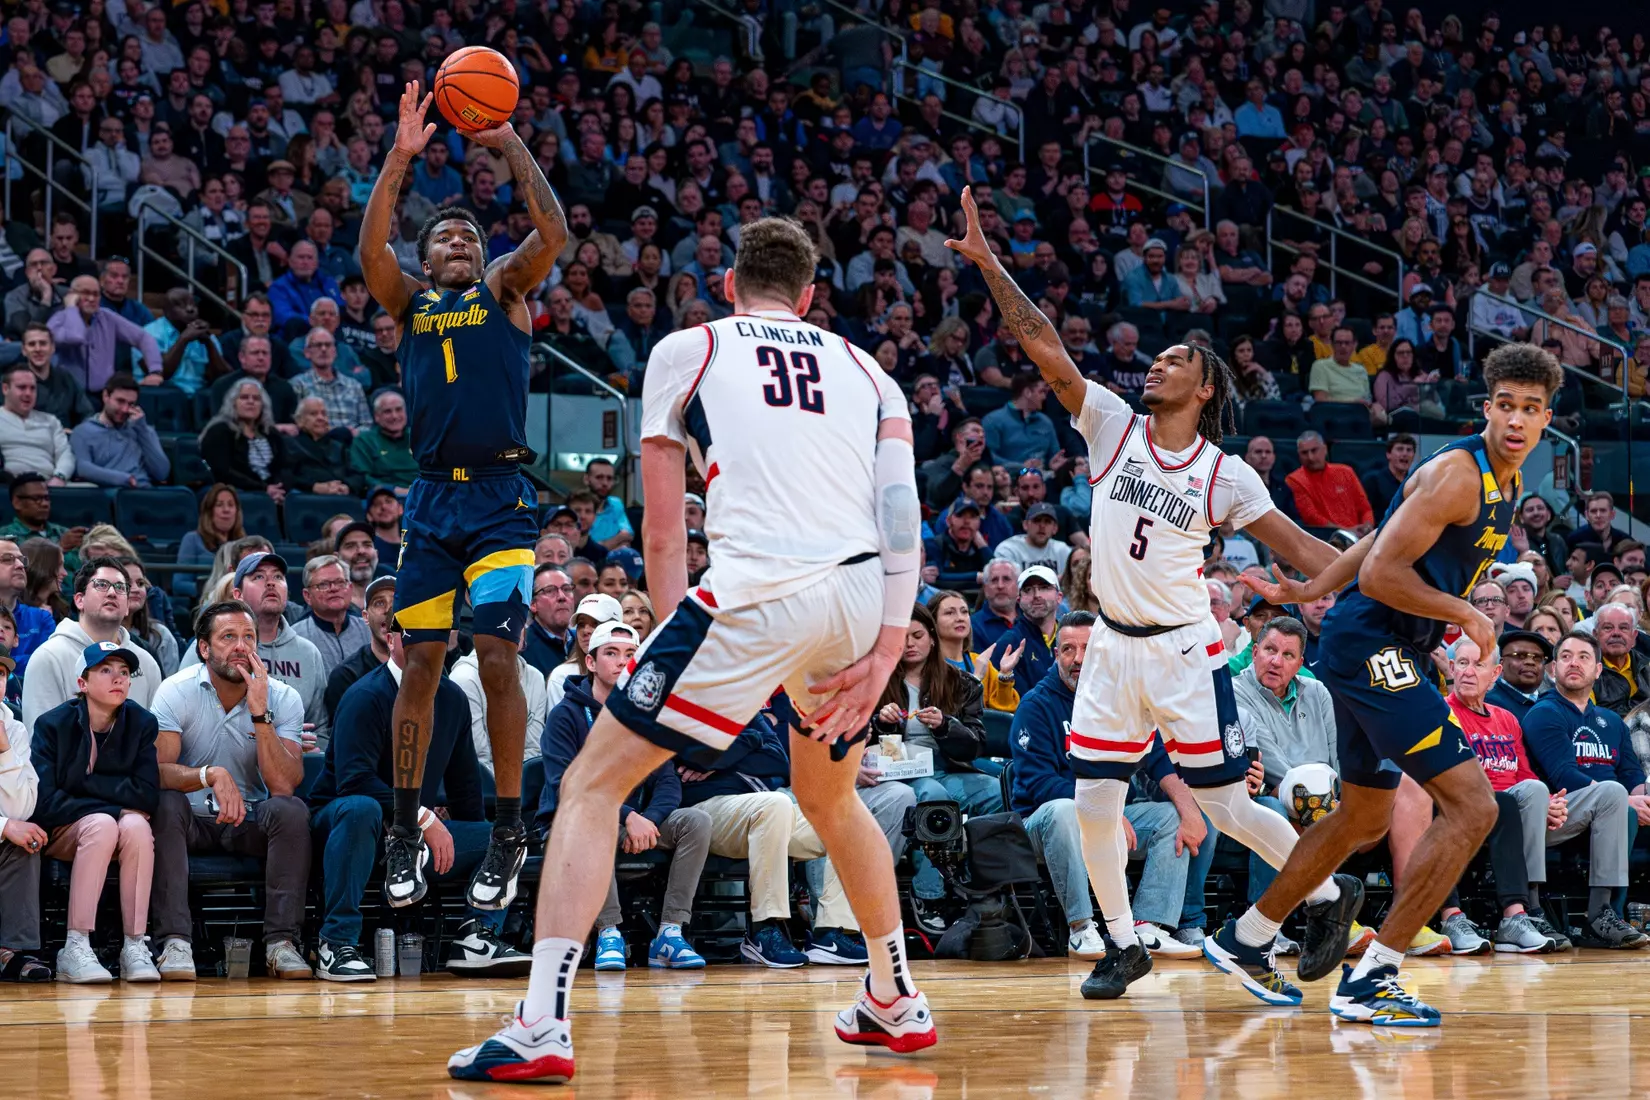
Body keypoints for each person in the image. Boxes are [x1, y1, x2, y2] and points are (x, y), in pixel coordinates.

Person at [452, 215, 935, 1084]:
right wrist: (891, 640)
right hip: (862, 603)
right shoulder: (873, 373)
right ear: (812, 296)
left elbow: (667, 527)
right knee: (830, 801)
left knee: (591, 785)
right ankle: (894, 996)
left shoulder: (690, 348)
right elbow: (903, 516)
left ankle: (539, 1025)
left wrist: (677, 647)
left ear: (727, 284)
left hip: (753, 594)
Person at [948, 186, 1354, 1003]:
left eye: (1177, 363)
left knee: (1228, 808)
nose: (1159, 365)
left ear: (1206, 391)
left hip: (1181, 650)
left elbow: (1308, 551)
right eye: (1157, 360)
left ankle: (1330, 900)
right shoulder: (1111, 427)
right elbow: (1042, 346)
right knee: (1094, 800)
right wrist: (991, 266)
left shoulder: (1225, 474)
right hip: (1108, 644)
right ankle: (1122, 944)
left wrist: (1372, 561)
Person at [1240, 343, 1566, 1024]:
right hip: (1376, 645)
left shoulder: (1503, 485)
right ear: (1488, 407)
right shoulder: (1459, 475)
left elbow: (1373, 545)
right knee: (1473, 808)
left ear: (1546, 420)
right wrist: (1464, 613)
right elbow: (1387, 575)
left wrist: (1312, 586)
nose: (1515, 418)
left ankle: (1245, 936)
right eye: (1505, 404)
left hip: (1375, 641)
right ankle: (1373, 978)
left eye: (1530, 409)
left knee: (1363, 816)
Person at [362, 83, 567, 927]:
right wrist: (400, 157)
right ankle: (405, 828)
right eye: (445, 235)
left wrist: (510, 140)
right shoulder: (409, 304)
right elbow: (372, 242)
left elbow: (551, 232)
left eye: (469, 234)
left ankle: (512, 828)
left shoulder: (505, 294)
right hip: (432, 505)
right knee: (419, 662)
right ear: (428, 254)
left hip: (501, 500)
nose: (459, 240)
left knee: (493, 656)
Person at [306, 619, 531, 981]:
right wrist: (425, 819)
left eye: (438, 636)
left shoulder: (452, 698)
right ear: (391, 638)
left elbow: (465, 786)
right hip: (344, 825)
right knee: (360, 809)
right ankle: (336, 941)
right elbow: (354, 781)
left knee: (502, 837)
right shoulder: (365, 696)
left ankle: (477, 936)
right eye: (415, 634)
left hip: (408, 834)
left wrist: (471, 838)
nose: (428, 644)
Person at [1010, 610, 1206, 960]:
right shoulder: (1036, 706)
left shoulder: (1123, 699)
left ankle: (1149, 924)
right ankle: (1081, 927)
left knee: (1171, 817)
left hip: (1113, 814)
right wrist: (1105, 813)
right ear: (1056, 654)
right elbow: (1039, 784)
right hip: (1045, 824)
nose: (1078, 659)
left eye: (1088, 649)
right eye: (1068, 649)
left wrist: (1189, 809)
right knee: (1066, 810)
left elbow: (1158, 757)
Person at [149, 600, 313, 981]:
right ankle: (175, 942)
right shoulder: (175, 691)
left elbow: (283, 784)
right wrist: (209, 775)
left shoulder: (283, 697)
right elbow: (156, 772)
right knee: (164, 803)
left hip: (250, 819)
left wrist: (260, 713)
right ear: (204, 649)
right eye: (228, 637)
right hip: (190, 818)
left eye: (248, 637)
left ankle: (281, 944)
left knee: (290, 810)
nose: (241, 646)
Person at [537, 619, 710, 970]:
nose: (621, 662)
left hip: (637, 824)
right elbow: (567, 787)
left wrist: (649, 819)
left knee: (696, 821)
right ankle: (609, 932)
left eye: (630, 654)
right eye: (611, 653)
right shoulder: (565, 716)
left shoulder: (645, 714)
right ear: (590, 662)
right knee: (590, 823)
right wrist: (627, 815)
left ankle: (670, 933)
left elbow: (668, 781)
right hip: (573, 826)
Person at [29, 641, 161, 983]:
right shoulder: (52, 725)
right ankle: (75, 945)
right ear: (82, 683)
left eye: (124, 672)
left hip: (105, 824)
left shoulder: (142, 722)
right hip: (61, 830)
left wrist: (85, 787)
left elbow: (147, 796)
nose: (118, 678)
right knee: (106, 823)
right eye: (106, 670)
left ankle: (134, 945)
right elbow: (45, 803)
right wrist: (116, 803)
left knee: (136, 827)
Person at [867, 604, 998, 932]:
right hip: (893, 773)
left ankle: (986, 884)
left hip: (945, 768)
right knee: (933, 797)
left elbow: (976, 745)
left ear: (933, 639)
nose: (910, 643)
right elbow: (854, 735)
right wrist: (879, 723)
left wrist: (945, 726)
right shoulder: (874, 681)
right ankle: (929, 892)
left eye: (918, 636)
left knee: (997, 792)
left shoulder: (963, 683)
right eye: (902, 637)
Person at [1521, 631, 1650, 949]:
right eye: (1565, 657)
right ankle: (1600, 915)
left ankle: (1608, 917)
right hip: (1558, 814)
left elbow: (1632, 773)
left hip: (1611, 809)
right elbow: (1564, 774)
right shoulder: (1544, 713)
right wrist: (1626, 800)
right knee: (1612, 793)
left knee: (1618, 795)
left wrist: (1642, 798)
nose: (1573, 663)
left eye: (1583, 657)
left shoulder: (1611, 720)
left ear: (1597, 670)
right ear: (1552, 670)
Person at [1444, 636, 1571, 954]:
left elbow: (1525, 775)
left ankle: (1518, 917)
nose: (1469, 672)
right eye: (1462, 663)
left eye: (1479, 664)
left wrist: (1548, 804)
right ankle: (1521, 911)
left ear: (1496, 673)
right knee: (1507, 803)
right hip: (1458, 805)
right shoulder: (1442, 713)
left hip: (1506, 808)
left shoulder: (1507, 719)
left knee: (1532, 793)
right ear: (1450, 668)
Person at [20, 557, 165, 730]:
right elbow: (38, 740)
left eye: (120, 588)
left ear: (127, 606)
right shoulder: (49, 657)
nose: (112, 592)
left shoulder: (146, 662)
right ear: (79, 600)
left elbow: (155, 736)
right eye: (101, 585)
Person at [0, 670, 52, 982]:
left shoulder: (14, 727)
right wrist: (4, 826)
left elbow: (22, 807)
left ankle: (11, 951)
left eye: (1, 673)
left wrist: (5, 751)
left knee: (26, 841)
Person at [451, 620, 547, 779]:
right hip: (479, 792)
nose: (510, 627)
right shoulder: (464, 679)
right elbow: (479, 760)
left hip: (523, 789)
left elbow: (534, 753)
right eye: (500, 618)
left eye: (517, 619)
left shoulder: (535, 678)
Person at [67, 373, 169, 488]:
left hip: (146, 493)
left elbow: (162, 473)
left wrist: (142, 430)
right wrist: (125, 479)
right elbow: (83, 468)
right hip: (112, 494)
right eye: (120, 401)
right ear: (106, 396)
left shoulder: (143, 430)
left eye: (131, 404)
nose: (125, 409)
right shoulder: (82, 432)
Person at [198, 380, 290, 499]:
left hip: (272, 493)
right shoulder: (219, 431)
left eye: (256, 398)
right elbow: (222, 471)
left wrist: (279, 489)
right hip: (239, 492)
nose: (250, 402)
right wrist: (263, 489)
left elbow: (284, 467)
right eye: (244, 397)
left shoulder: (271, 432)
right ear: (233, 403)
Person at [324, 576, 396, 723]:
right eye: (380, 603)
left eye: (396, 602)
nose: (388, 610)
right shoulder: (346, 676)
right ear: (365, 616)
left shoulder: (425, 667)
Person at [291, 555, 370, 684]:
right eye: (323, 584)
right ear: (307, 596)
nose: (334, 588)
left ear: (350, 589)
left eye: (340, 582)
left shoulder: (369, 629)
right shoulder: (295, 637)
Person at [1286, 431, 1375, 534]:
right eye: (1304, 453)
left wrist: (1367, 526)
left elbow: (1365, 509)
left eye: (1314, 450)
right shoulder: (1294, 479)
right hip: (1325, 539)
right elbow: (1311, 517)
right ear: (1298, 455)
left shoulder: (1346, 472)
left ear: (1325, 449)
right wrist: (1347, 532)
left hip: (1357, 536)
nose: (1310, 457)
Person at [0, 364, 75, 481]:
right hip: (9, 487)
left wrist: (59, 477)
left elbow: (65, 454)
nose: (28, 393)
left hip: (48, 486)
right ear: (5, 389)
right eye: (22, 387)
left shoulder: (51, 421)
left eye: (32, 388)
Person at [0, 540, 54, 675]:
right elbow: (38, 662)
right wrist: (29, 660)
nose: (19, 565)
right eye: (8, 559)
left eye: (21, 560)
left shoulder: (41, 617)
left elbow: (49, 663)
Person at [1486, 629, 1552, 721]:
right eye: (1520, 656)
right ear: (1502, 663)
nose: (1530, 662)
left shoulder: (1550, 702)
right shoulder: (1489, 703)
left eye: (1537, 658)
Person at [991, 503, 1072, 576]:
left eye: (1047, 522)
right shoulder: (1008, 550)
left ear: (1055, 528)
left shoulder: (1063, 550)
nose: (1042, 526)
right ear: (1025, 525)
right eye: (1037, 520)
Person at [523, 564, 573, 675]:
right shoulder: (523, 649)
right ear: (533, 604)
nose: (561, 596)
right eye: (550, 591)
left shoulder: (583, 642)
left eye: (566, 589)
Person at [1359, 434, 1416, 519]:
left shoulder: (1415, 483)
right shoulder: (1373, 480)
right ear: (1388, 454)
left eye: (1409, 450)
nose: (1405, 454)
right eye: (1400, 449)